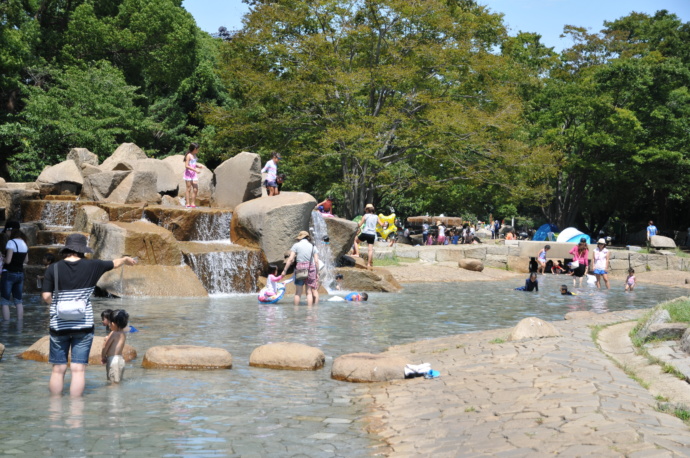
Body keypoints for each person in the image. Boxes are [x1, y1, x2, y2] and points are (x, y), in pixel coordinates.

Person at [41, 233, 137, 397]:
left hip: (59, 325)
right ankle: (76, 413)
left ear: (67, 249)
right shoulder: (93, 265)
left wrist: (58, 304)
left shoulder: (53, 268)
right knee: (78, 370)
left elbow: (46, 296)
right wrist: (126, 259)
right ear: (82, 250)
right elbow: (114, 263)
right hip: (83, 325)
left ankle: (55, 409)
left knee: (58, 369)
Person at [282, 231, 320, 306]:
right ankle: (310, 311)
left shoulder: (296, 245)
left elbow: (290, 259)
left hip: (300, 269)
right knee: (309, 292)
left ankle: (296, 311)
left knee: (298, 292)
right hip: (310, 269)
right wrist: (317, 273)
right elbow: (316, 261)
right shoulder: (313, 246)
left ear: (300, 238)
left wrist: (284, 271)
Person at [1, 222, 28, 321]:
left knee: (5, 301)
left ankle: (6, 326)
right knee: (18, 301)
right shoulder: (24, 243)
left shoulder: (11, 242)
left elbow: (8, 260)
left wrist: (2, 258)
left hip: (9, 273)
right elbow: (26, 260)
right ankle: (20, 324)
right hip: (20, 274)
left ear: (10, 230)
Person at [101, 309, 129, 384]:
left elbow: (105, 346)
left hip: (113, 360)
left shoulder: (113, 333)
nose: (109, 325)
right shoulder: (123, 333)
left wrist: (103, 356)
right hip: (120, 360)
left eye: (109, 323)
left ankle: (113, 396)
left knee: (113, 384)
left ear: (113, 324)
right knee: (118, 382)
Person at [357, 204, 384, 269]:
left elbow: (360, 224)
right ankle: (369, 264)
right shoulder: (376, 217)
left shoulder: (365, 215)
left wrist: (356, 225)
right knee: (370, 249)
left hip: (365, 232)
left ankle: (357, 254)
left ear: (367, 209)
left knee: (355, 241)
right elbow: (382, 224)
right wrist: (385, 224)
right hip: (372, 234)